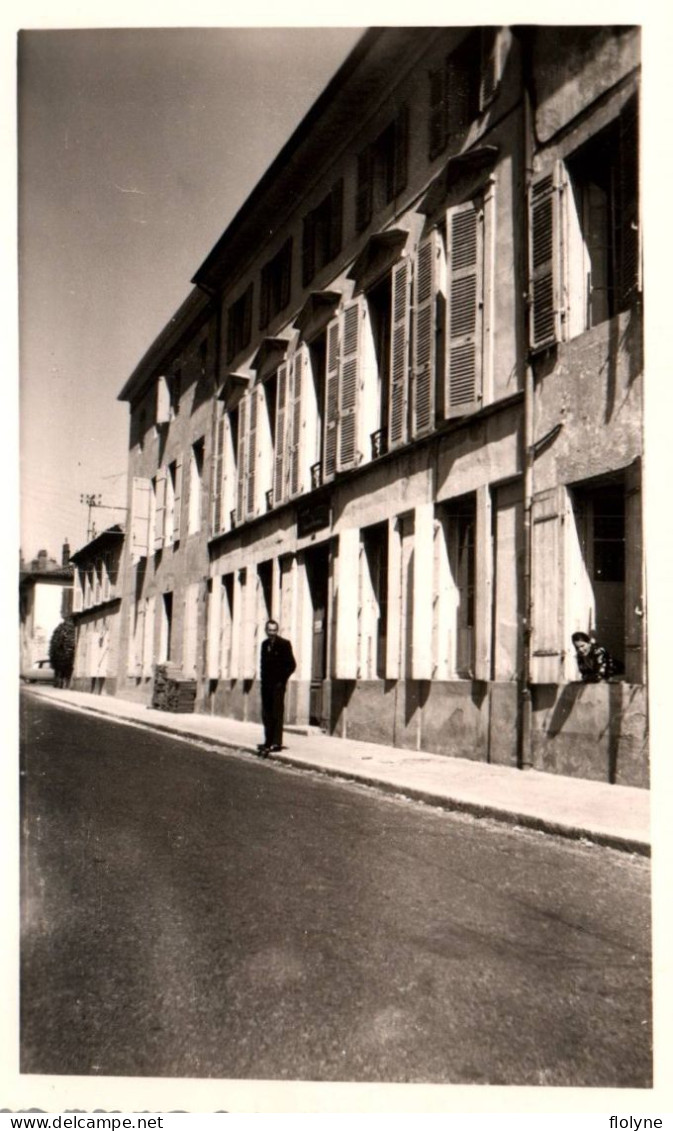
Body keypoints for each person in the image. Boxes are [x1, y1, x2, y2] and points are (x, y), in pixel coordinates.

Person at [258, 619, 296, 756]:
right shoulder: (264, 644)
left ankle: (276, 743)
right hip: (266, 686)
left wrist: (282, 680)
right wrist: (263, 681)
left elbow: (292, 665)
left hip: (278, 686)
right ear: (266, 631)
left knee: (276, 713)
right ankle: (268, 741)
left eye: (274, 630)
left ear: (277, 631)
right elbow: (262, 665)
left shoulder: (284, 644)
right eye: (270, 631)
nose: (272, 633)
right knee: (266, 714)